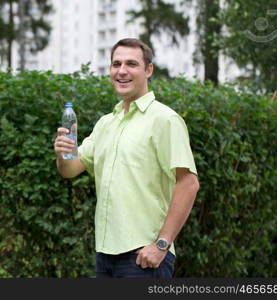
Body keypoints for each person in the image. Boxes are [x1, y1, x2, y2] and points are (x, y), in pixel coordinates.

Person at [54, 38, 199, 278]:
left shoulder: (165, 120)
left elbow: (189, 183)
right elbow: (70, 169)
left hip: (144, 258)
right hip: (105, 255)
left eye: (131, 64)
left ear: (148, 70)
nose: (122, 71)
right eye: (116, 64)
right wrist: (62, 154)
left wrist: (161, 245)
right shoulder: (106, 123)